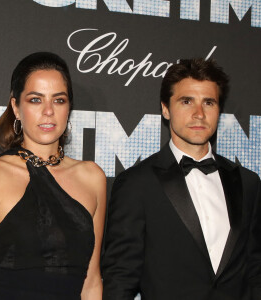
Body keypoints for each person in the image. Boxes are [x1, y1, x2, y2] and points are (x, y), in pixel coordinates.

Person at [102, 58, 261, 300]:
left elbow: (255, 270)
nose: (199, 114)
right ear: (165, 108)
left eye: (209, 102)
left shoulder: (248, 183)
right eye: (186, 101)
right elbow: (121, 277)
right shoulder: (136, 184)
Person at [0, 52, 106, 300]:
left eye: (58, 100)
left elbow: (91, 283)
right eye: (36, 100)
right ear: (16, 107)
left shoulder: (92, 178)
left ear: (69, 108)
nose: (48, 111)